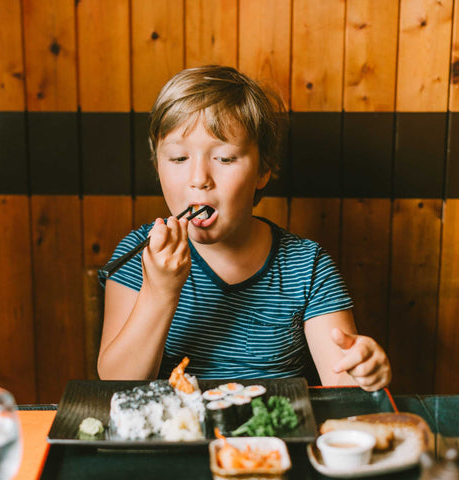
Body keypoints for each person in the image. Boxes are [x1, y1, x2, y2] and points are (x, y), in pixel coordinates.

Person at [97, 65, 391, 392]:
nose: (198, 179)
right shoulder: (138, 254)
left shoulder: (307, 266)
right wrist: (160, 292)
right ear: (157, 166)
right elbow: (115, 385)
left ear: (263, 170)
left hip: (272, 439)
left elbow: (343, 383)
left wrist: (363, 368)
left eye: (224, 158)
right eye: (179, 159)